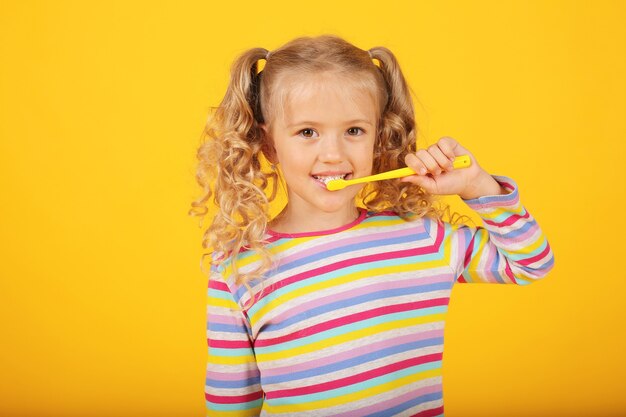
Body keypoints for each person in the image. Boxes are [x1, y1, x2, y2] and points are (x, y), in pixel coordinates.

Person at [190, 34, 555, 417]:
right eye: (307, 132)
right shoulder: (238, 267)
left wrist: (478, 187)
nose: (333, 154)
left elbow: (530, 263)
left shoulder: (423, 239)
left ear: (378, 137)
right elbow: (232, 403)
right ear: (269, 145)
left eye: (354, 131)